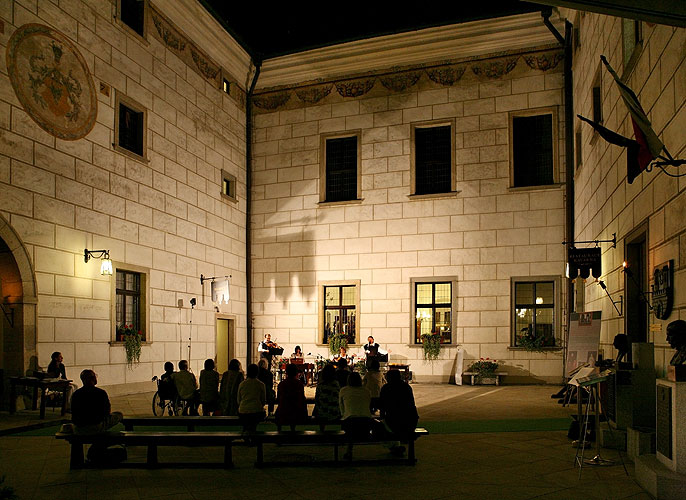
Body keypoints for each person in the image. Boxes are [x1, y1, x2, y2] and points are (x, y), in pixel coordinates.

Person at [379, 369, 419, 456]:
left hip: (393, 421)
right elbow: (412, 405)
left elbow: (382, 407)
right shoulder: (407, 387)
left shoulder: (386, 388)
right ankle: (396, 446)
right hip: (410, 421)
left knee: (383, 428)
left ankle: (394, 447)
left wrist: (382, 418)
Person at [71, 369, 123, 435]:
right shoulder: (100, 393)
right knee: (118, 414)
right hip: (95, 426)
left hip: (78, 428)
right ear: (93, 378)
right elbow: (106, 412)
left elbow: (74, 413)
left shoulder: (76, 394)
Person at [339, 371, 372, 460]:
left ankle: (349, 450)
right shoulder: (366, 391)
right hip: (366, 422)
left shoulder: (343, 390)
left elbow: (342, 408)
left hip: (350, 422)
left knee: (350, 429)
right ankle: (394, 445)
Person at [275, 363, 307, 431]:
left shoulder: (282, 384)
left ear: (286, 372)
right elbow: (302, 398)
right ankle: (292, 430)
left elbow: (278, 399)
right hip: (297, 412)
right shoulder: (299, 384)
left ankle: (279, 431)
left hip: (284, 412)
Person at [237, 363, 266, 432]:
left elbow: (238, 400)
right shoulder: (261, 384)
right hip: (256, 411)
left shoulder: (242, 384)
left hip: (243, 411)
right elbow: (263, 401)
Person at [313, 363, 341, 431]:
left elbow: (317, 399)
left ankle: (321, 430)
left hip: (322, 413)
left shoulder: (321, 385)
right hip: (334, 413)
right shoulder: (336, 385)